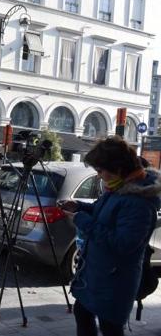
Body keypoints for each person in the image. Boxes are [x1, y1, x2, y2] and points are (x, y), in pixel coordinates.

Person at [59, 137, 159, 336]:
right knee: (82, 312)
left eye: (100, 171)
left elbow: (123, 244)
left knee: (110, 328)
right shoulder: (118, 189)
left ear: (119, 169)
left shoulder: (139, 202)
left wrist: (82, 220)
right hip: (97, 275)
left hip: (114, 281)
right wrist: (79, 206)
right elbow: (101, 210)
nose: (99, 177)